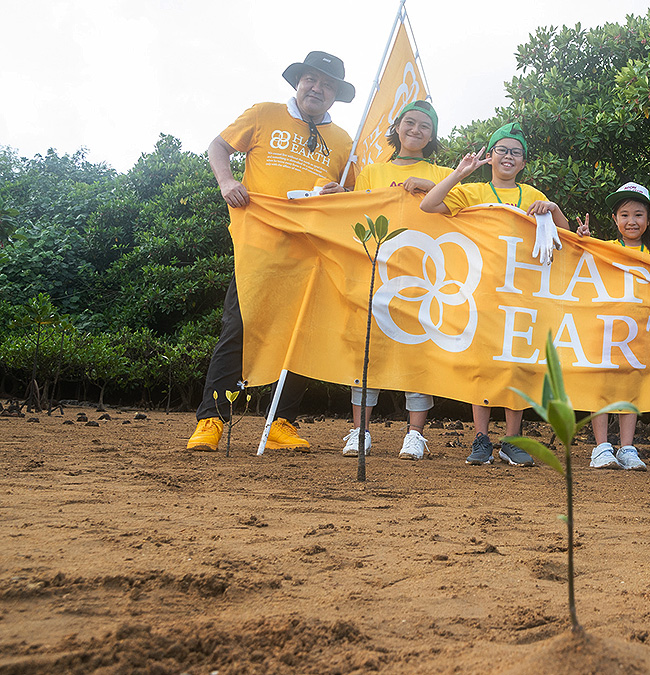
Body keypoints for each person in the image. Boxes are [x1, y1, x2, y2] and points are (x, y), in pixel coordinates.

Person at [186, 51, 355, 453]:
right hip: (258, 245)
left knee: (300, 335)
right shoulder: (263, 114)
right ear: (299, 82)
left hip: (310, 252)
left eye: (327, 85)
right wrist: (227, 182)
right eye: (311, 80)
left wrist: (342, 192)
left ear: (335, 95)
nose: (317, 88)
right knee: (238, 328)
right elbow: (218, 145)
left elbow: (353, 193)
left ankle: (281, 422)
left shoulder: (344, 140)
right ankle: (211, 419)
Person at [419, 122, 568, 466]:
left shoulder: (533, 195)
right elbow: (429, 204)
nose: (508, 157)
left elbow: (568, 239)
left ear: (523, 163)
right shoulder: (472, 192)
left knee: (516, 366)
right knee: (482, 367)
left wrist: (554, 209)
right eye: (501, 150)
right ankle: (481, 439)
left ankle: (512, 441)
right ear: (489, 156)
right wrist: (460, 172)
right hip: (481, 293)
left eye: (516, 152)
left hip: (523, 295)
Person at [342, 99, 449, 460]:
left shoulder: (443, 172)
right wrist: (335, 197)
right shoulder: (370, 171)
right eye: (410, 123)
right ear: (397, 126)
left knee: (419, 349)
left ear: (432, 135)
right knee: (366, 351)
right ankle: (360, 432)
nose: (416, 130)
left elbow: (461, 214)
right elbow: (352, 215)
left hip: (424, 274)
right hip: (375, 271)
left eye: (425, 126)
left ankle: (415, 435)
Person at [575, 181, 650, 470]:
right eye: (625, 214)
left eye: (639, 215)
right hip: (605, 329)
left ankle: (627, 448)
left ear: (649, 218)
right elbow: (577, 267)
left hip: (642, 331)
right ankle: (601, 448)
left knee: (631, 387)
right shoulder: (605, 248)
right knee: (602, 387)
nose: (632, 221)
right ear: (615, 219)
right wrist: (583, 241)